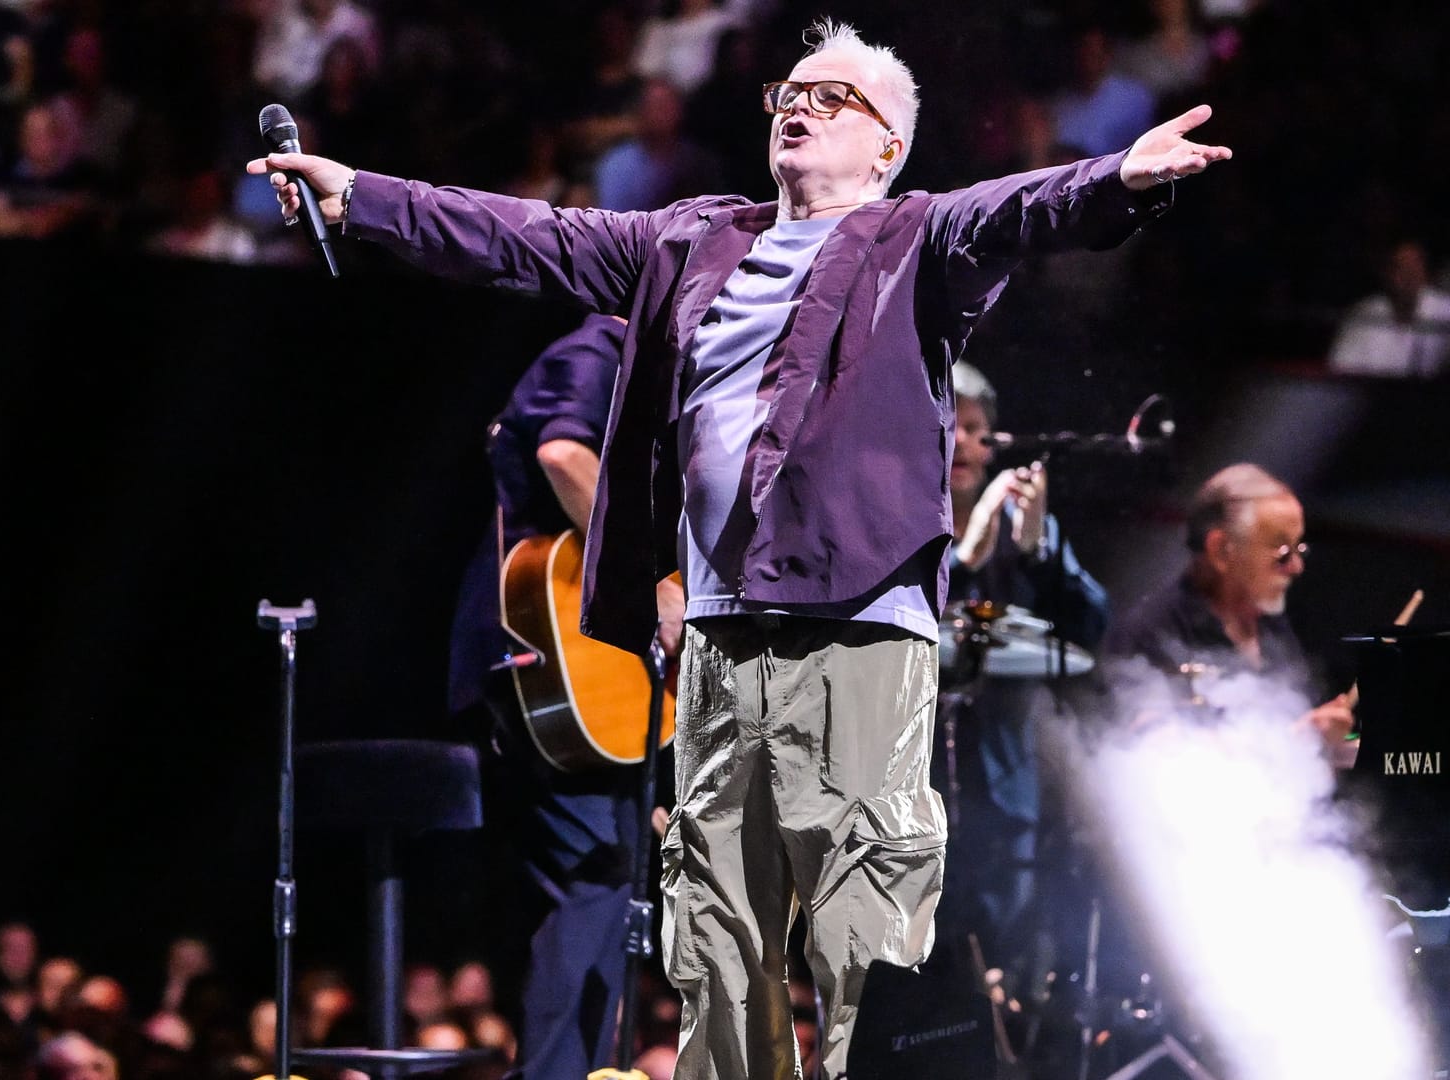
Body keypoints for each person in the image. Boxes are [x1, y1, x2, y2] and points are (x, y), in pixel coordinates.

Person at [251, 17, 1230, 1076]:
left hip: (857, 624)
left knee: (863, 927)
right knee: (715, 937)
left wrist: (1119, 177)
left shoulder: (914, 237)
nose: (798, 105)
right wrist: (364, 196)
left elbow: (1016, 208)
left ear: (888, 145)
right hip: (719, 638)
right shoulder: (689, 240)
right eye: (788, 92)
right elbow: (528, 234)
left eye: (832, 96)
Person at [447, 314, 682, 1078]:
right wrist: (646, 585)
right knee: (595, 881)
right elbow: (561, 453)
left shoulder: (660, 378)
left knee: (604, 885)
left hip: (588, 674)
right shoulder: (601, 348)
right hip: (549, 651)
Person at [934, 362, 1108, 996]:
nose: (961, 442)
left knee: (1001, 966)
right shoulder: (892, 508)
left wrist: (1037, 550)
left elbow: (1091, 623)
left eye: (976, 429)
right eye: (948, 423)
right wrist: (964, 555)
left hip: (1004, 781)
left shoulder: (1021, 519)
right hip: (910, 778)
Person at [1105, 464, 1353, 752]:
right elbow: (1153, 768)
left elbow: (1300, 731)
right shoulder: (1148, 636)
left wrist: (1342, 745)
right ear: (1221, 550)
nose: (1297, 567)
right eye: (1283, 553)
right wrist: (1295, 741)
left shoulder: (1272, 627)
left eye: (1300, 550)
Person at [1327, 239, 1450, 379]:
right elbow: (1341, 372)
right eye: (1402, 269)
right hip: (1373, 396)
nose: (1409, 278)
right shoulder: (1363, 316)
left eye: (1415, 268)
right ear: (1388, 274)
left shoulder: (1443, 310)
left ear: (1425, 273)